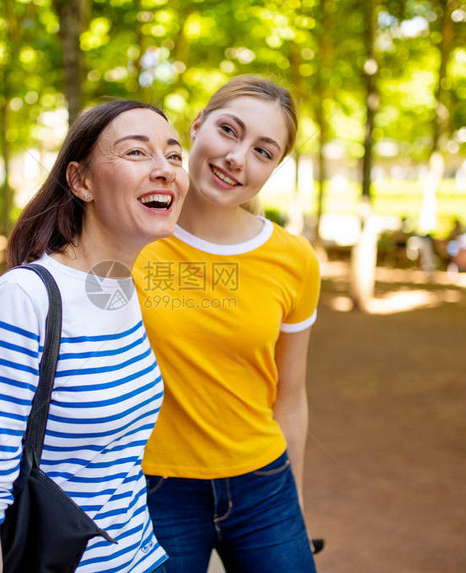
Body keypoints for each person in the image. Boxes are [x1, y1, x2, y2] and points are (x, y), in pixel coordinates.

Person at [0, 100, 189, 573]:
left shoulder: (122, 286)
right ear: (81, 181)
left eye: (174, 155)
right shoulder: (22, 299)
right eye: (137, 153)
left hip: (146, 559)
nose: (165, 169)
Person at [134, 75, 321, 572]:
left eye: (263, 151)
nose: (238, 157)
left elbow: (291, 395)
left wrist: (295, 505)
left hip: (264, 486)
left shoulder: (294, 259)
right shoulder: (127, 238)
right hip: (151, 489)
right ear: (196, 126)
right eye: (229, 131)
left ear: (274, 169)